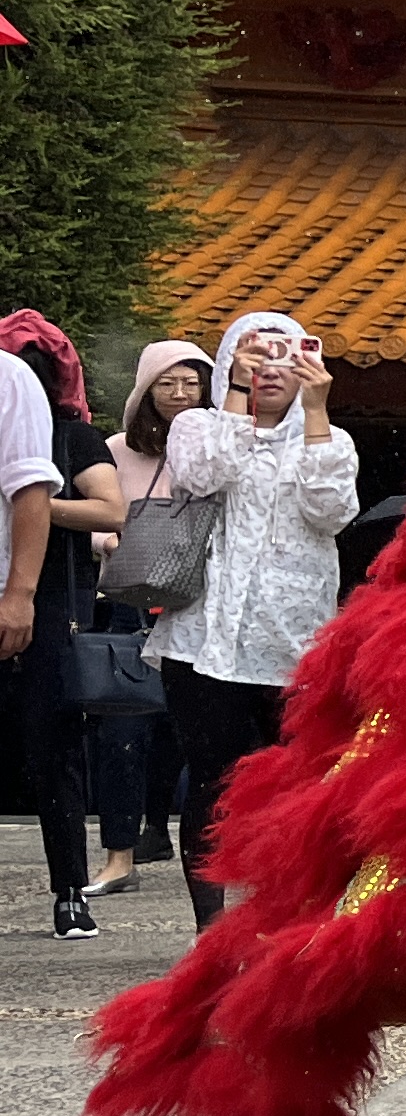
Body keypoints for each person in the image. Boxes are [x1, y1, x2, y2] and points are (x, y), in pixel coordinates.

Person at [148, 313, 363, 930]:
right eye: (255, 360)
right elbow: (204, 474)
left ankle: (281, 917)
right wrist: (237, 395)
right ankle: (210, 930)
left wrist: (317, 411)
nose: (271, 372)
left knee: (291, 785)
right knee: (212, 783)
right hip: (202, 642)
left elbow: (331, 514)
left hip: (291, 645)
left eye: (284, 361)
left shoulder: (332, 440)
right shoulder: (198, 425)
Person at [0, 319, 121, 940]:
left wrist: (34, 498)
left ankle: (70, 886)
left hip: (43, 599)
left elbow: (111, 508)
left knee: (54, 747)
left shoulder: (73, 438)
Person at [87, 341, 211, 898]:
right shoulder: (116, 449)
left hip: (197, 605)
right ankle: (118, 854)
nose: (180, 394)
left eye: (191, 382)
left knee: (184, 735)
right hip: (129, 603)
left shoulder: (221, 447)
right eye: (167, 383)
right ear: (145, 390)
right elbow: (97, 511)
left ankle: (159, 831)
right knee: (121, 731)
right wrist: (104, 539)